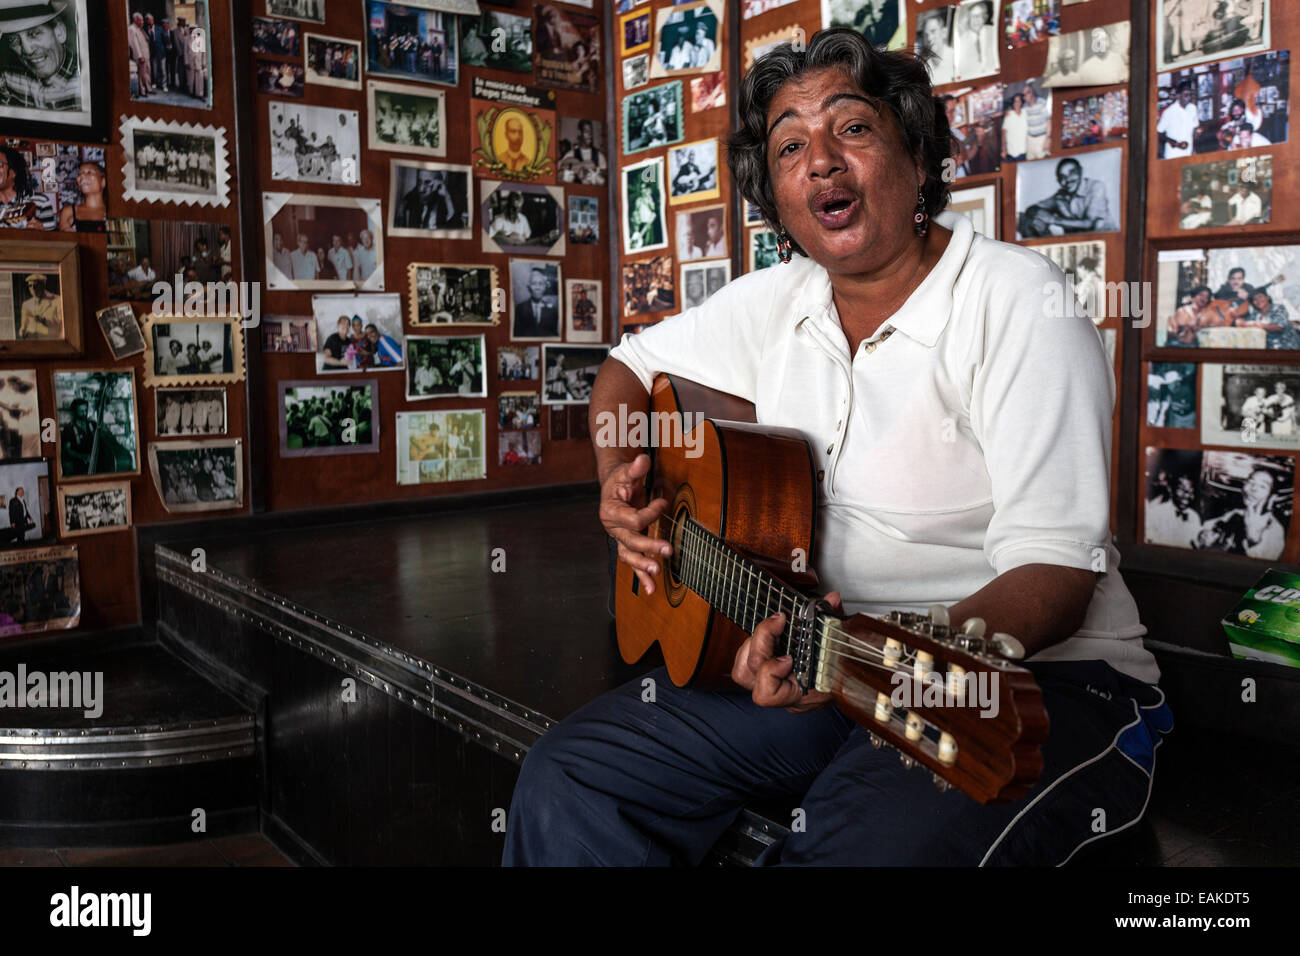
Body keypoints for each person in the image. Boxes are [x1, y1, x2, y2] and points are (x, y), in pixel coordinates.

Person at [504, 28, 1168, 867]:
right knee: (571, 776)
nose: (819, 160)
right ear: (777, 199)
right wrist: (619, 484)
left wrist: (861, 662)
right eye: (789, 146)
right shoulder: (775, 301)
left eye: (850, 129)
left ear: (918, 157)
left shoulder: (1018, 302)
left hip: (1028, 685)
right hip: (827, 668)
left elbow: (1058, 578)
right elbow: (627, 369)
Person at [1197, 467, 1286, 559]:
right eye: (1251, 482)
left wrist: (1253, 540)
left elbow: (1264, 567)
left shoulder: (1275, 529)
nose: (1253, 488)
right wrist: (1204, 536)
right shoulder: (1235, 513)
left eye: (1262, 486)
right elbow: (1206, 528)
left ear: (1272, 497)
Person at [1018, 157, 1117, 237]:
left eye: (1072, 173)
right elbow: (1032, 208)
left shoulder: (1096, 187)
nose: (1068, 180)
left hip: (1107, 239)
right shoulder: (1060, 195)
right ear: (1058, 180)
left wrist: (1053, 220)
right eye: (1062, 177)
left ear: (1080, 172)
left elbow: (1090, 223)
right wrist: (1041, 217)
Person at [0, 146, 56, 229]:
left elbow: (53, 240)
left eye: (0, 164)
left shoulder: (40, 202)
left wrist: (41, 233)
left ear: (14, 172)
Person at [1145, 474, 1201, 549]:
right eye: (1182, 490)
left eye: (1191, 491)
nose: (1187, 495)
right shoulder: (1156, 513)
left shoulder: (1194, 517)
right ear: (1170, 489)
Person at [1157, 81, 1201, 159]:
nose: (1189, 98)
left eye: (1190, 95)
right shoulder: (1169, 112)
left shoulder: (1193, 108)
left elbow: (1195, 128)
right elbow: (1159, 133)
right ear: (1178, 96)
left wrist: (1197, 133)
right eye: (1186, 95)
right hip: (1173, 154)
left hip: (1189, 152)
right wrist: (1176, 143)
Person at [955, 1, 995, 79]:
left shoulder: (993, 31)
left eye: (978, 16)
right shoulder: (962, 40)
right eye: (972, 16)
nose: (975, 20)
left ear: (985, 17)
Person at [514, 268, 558, 338]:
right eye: (534, 284)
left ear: (545, 287)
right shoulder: (520, 309)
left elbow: (554, 335)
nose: (537, 288)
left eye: (541, 284)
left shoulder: (553, 310)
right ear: (529, 287)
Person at [916, 11, 953, 86]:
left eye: (933, 31)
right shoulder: (921, 66)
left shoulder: (955, 59)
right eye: (925, 34)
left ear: (944, 32)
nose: (929, 38)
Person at [19, 274, 61, 339]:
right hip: (32, 340)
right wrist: (22, 331)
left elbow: (61, 323)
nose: (32, 288)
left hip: (50, 340)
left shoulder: (58, 300)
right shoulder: (26, 304)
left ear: (43, 286)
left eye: (35, 285)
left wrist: (44, 320)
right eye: (30, 286)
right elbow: (23, 325)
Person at [128, 11, 153, 97]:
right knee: (141, 75)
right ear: (135, 20)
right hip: (141, 56)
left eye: (142, 20)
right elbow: (134, 44)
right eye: (140, 20)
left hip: (146, 55)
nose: (142, 22)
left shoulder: (139, 29)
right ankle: (142, 91)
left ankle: (148, 88)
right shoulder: (131, 29)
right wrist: (139, 56)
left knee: (147, 73)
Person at [1022, 82, 1049, 159]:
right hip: (1030, 140)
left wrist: (1047, 139)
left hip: (1041, 139)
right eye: (1023, 95)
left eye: (1025, 94)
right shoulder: (1025, 107)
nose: (1024, 97)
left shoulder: (1042, 103)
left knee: (1042, 162)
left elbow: (1049, 121)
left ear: (1031, 93)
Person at [1001, 92, 1027, 161]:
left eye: (1019, 101)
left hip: (1024, 151)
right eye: (1015, 101)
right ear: (1013, 103)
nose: (1017, 103)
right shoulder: (1009, 115)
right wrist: (1003, 150)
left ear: (1021, 102)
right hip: (1011, 152)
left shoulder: (1025, 113)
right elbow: (1004, 134)